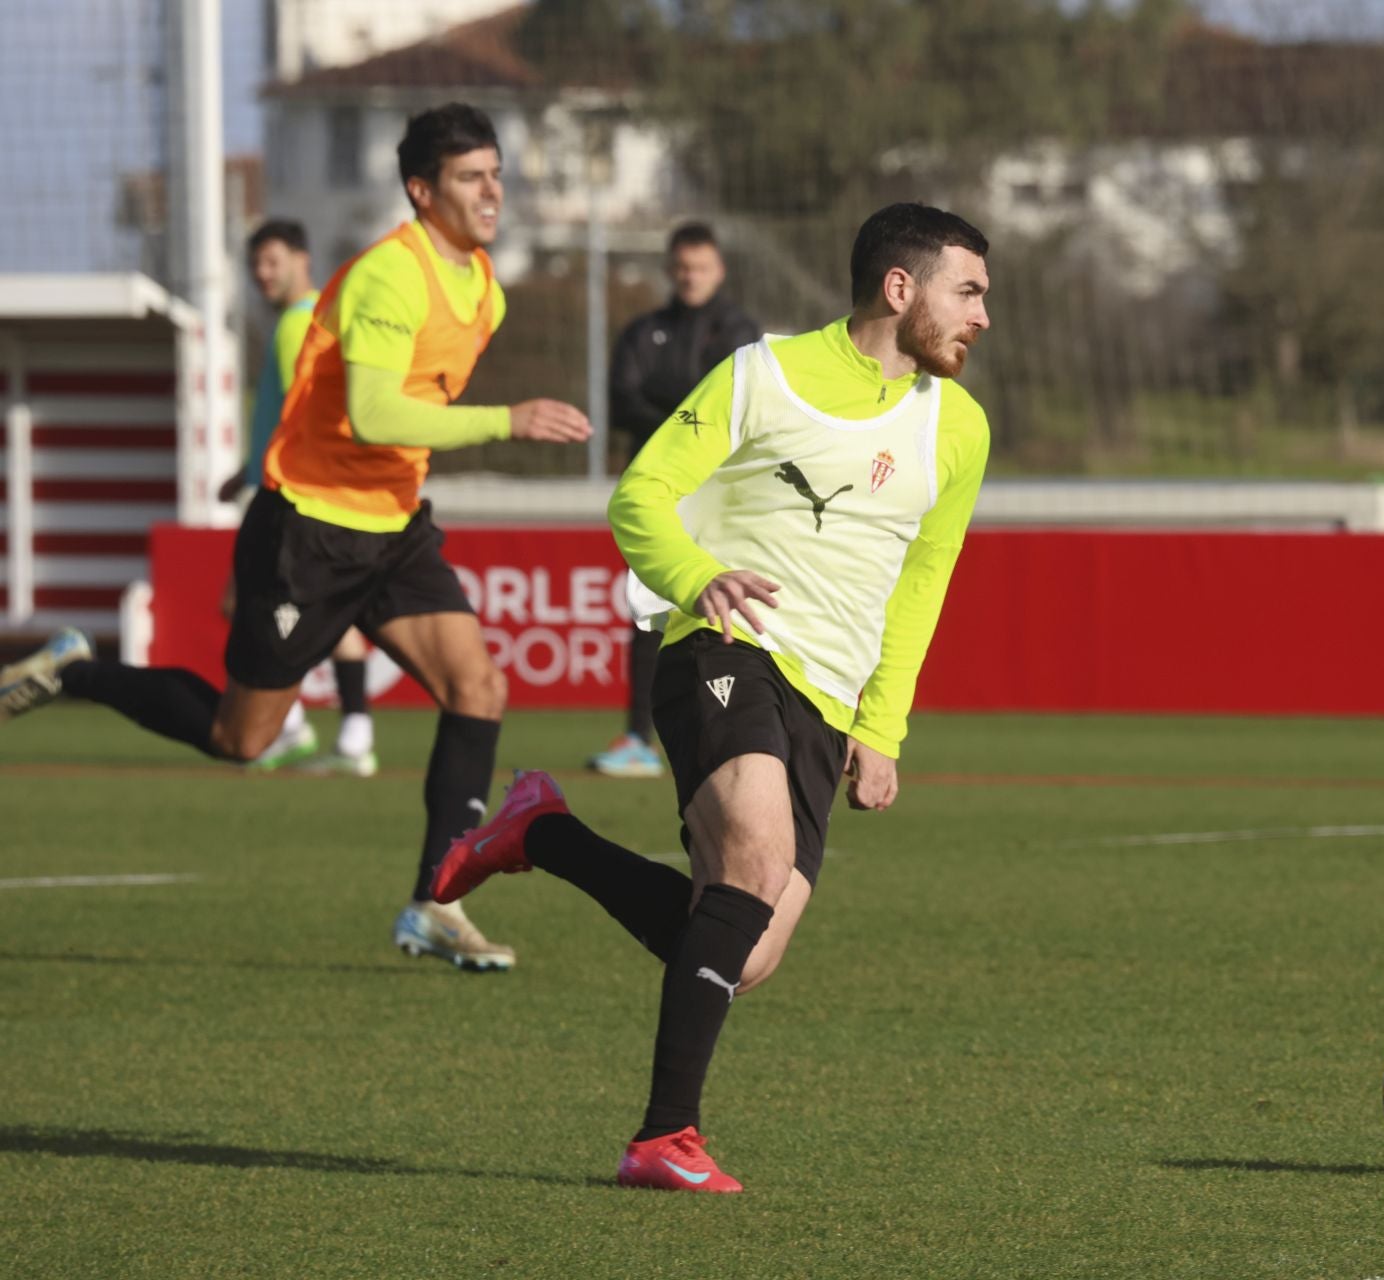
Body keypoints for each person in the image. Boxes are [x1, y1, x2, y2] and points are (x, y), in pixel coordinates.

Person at [432, 202, 992, 1192]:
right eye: (970, 291)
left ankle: (542, 830)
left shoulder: (960, 428)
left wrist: (882, 728)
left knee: (747, 944)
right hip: (718, 647)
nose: (983, 316)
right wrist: (698, 579)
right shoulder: (762, 374)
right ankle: (663, 1136)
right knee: (756, 856)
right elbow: (639, 497)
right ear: (901, 288)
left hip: (828, 699)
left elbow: (925, 583)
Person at [0, 103, 594, 971]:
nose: (492, 191)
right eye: (472, 177)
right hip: (308, 532)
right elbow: (376, 410)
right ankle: (74, 669)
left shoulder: (485, 289)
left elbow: (406, 420)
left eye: (497, 173)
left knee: (480, 688)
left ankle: (435, 902)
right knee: (241, 740)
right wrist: (510, 419)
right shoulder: (390, 276)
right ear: (422, 191)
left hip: (393, 527)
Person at [591, 223, 761, 779]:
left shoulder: (740, 332)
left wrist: (674, 413)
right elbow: (621, 401)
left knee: (726, 610)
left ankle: (736, 731)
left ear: (719, 271)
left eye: (701, 267)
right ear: (671, 269)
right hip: (658, 493)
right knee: (647, 611)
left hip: (722, 495)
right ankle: (639, 737)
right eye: (683, 267)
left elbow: (735, 407)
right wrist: (688, 418)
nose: (691, 277)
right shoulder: (644, 332)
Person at [216, 219, 379, 777]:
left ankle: (289, 727)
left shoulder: (294, 324)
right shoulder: (312, 318)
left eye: (273, 261)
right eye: (256, 264)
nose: (263, 273)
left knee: (250, 606)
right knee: (329, 613)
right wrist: (242, 472)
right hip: (288, 488)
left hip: (288, 499)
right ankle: (348, 732)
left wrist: (266, 483)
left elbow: (300, 415)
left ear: (302, 260)